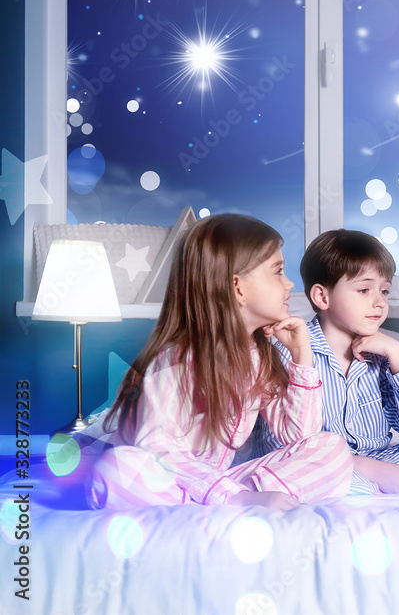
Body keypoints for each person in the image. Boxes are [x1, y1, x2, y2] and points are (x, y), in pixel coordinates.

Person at [87, 215, 354, 511]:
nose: (289, 283)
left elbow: (300, 437)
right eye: (278, 271)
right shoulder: (175, 362)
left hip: (220, 483)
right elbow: (160, 451)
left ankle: (223, 504)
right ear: (238, 287)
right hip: (173, 479)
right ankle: (232, 504)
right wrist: (233, 496)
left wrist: (302, 357)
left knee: (333, 448)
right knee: (116, 468)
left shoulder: (261, 356)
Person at [248, 229, 399, 494]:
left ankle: (368, 487)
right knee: (309, 474)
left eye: (384, 291)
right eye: (364, 290)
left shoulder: (382, 356)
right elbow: (281, 448)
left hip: (381, 460)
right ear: (322, 297)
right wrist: (371, 471)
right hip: (314, 468)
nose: (379, 302)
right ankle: (368, 484)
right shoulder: (288, 351)